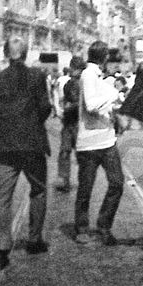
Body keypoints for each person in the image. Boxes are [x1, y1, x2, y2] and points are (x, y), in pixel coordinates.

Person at [0, 36, 53, 270]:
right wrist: (31, 123)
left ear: (4, 53)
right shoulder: (38, 77)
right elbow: (45, 107)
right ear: (26, 53)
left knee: (2, 197)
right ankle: (34, 240)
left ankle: (1, 247)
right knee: (39, 190)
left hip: (4, 144)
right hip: (32, 144)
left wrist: (3, 123)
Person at [74, 41, 125, 246]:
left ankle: (104, 225)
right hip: (89, 142)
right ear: (104, 58)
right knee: (86, 188)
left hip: (107, 139)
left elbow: (102, 105)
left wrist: (114, 106)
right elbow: (91, 104)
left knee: (117, 183)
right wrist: (114, 96)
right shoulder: (88, 75)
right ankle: (82, 228)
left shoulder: (98, 77)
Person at [54, 56, 85, 192]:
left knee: (79, 154)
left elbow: (81, 103)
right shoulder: (69, 84)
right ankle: (64, 179)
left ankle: (81, 180)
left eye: (75, 68)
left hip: (79, 123)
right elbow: (67, 100)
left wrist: (68, 107)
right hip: (69, 123)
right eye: (72, 67)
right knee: (65, 152)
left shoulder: (84, 83)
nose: (72, 70)